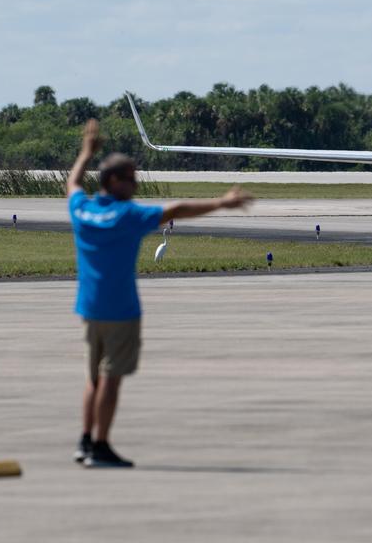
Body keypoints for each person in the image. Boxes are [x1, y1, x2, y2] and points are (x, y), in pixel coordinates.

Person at [66, 118, 253, 468]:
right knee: (111, 379)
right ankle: (101, 447)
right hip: (120, 310)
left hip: (88, 308)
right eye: (131, 178)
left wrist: (86, 152)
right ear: (114, 181)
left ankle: (85, 440)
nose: (136, 184)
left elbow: (73, 182)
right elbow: (176, 209)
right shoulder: (128, 215)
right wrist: (222, 203)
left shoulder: (82, 210)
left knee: (93, 378)